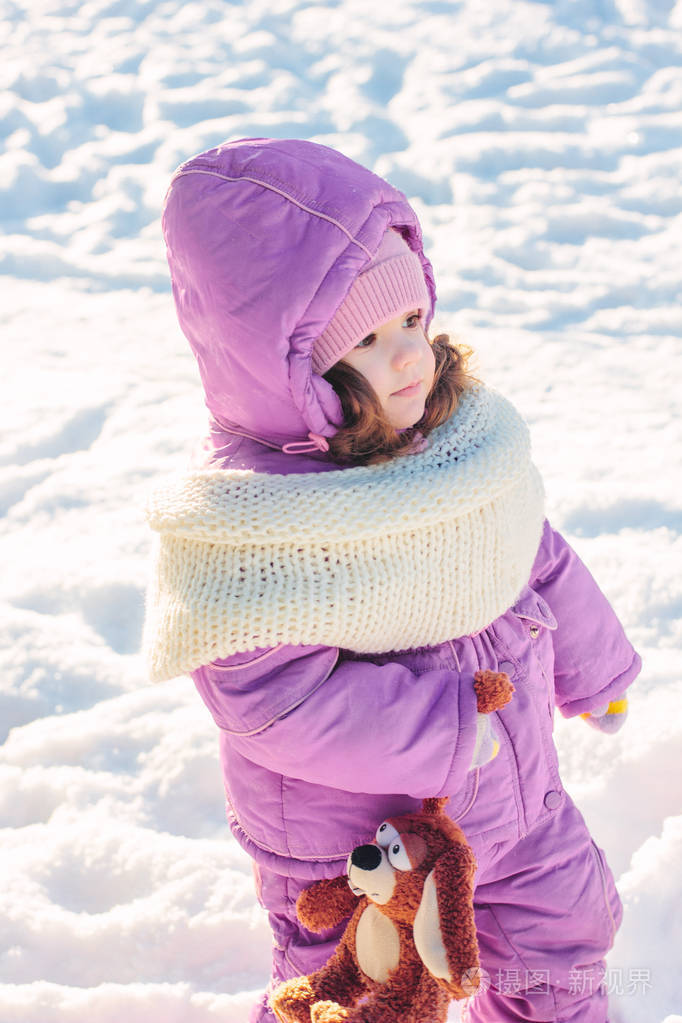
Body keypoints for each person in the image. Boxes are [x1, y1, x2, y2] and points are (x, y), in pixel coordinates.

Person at [144, 137, 641, 1023]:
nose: (411, 356)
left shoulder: (452, 444)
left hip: (519, 801)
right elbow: (273, 700)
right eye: (370, 341)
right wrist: (446, 731)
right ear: (290, 368)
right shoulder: (259, 527)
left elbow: (526, 549)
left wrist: (593, 664)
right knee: (358, 997)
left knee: (563, 954)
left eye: (411, 320)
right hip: (361, 851)